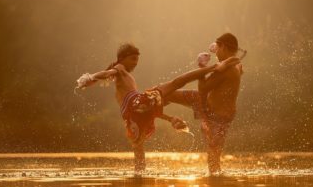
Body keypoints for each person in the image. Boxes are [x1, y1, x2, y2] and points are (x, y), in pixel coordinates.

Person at [75, 43, 240, 174]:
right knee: (176, 83)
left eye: (136, 60)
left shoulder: (121, 78)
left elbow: (147, 112)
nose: (135, 63)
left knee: (139, 155)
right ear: (122, 58)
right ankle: (212, 67)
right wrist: (91, 77)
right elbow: (107, 73)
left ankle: (138, 180)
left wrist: (170, 119)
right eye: (133, 59)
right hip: (137, 102)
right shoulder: (120, 69)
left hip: (131, 116)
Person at [164, 33, 244, 175]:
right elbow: (235, 63)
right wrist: (220, 56)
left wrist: (202, 66)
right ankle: (156, 100)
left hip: (217, 117)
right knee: (168, 93)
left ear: (223, 47)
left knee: (213, 162)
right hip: (209, 104)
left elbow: (203, 88)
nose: (215, 52)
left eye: (217, 48)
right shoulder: (236, 64)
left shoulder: (227, 69)